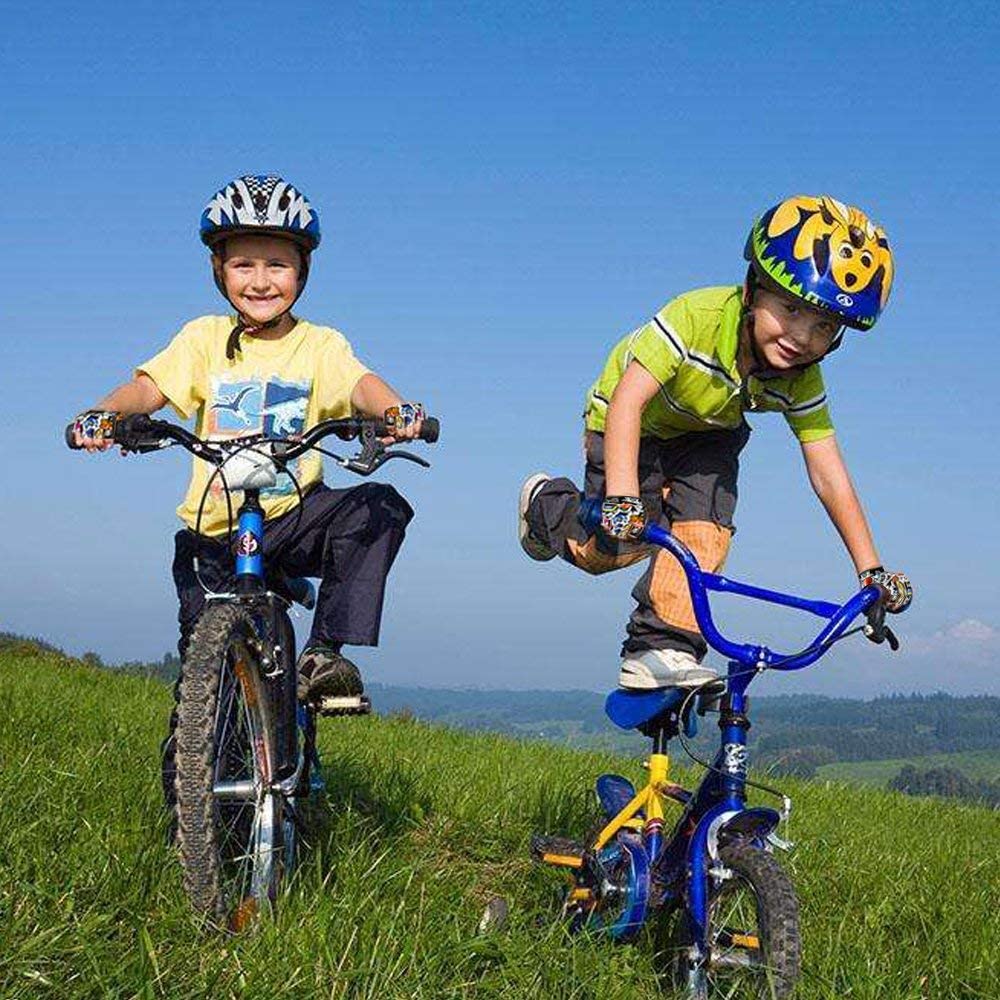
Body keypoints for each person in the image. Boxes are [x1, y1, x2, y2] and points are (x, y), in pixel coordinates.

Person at [70, 174, 428, 798]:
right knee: (204, 710)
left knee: (379, 506)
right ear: (218, 269)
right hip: (214, 533)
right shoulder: (203, 339)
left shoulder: (320, 346)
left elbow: (361, 385)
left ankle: (323, 655)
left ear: (303, 270)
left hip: (292, 517)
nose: (260, 281)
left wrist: (396, 411)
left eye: (277, 265)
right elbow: (148, 388)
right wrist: (105, 413)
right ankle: (207, 819)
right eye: (243, 264)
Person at [518, 194, 912, 691]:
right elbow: (628, 402)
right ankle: (545, 505)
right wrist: (620, 496)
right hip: (628, 416)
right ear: (752, 290)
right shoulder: (697, 317)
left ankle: (663, 647)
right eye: (789, 308)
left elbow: (828, 473)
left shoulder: (802, 378)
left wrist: (870, 570)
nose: (801, 336)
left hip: (707, 431)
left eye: (823, 326)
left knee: (705, 532)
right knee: (611, 548)